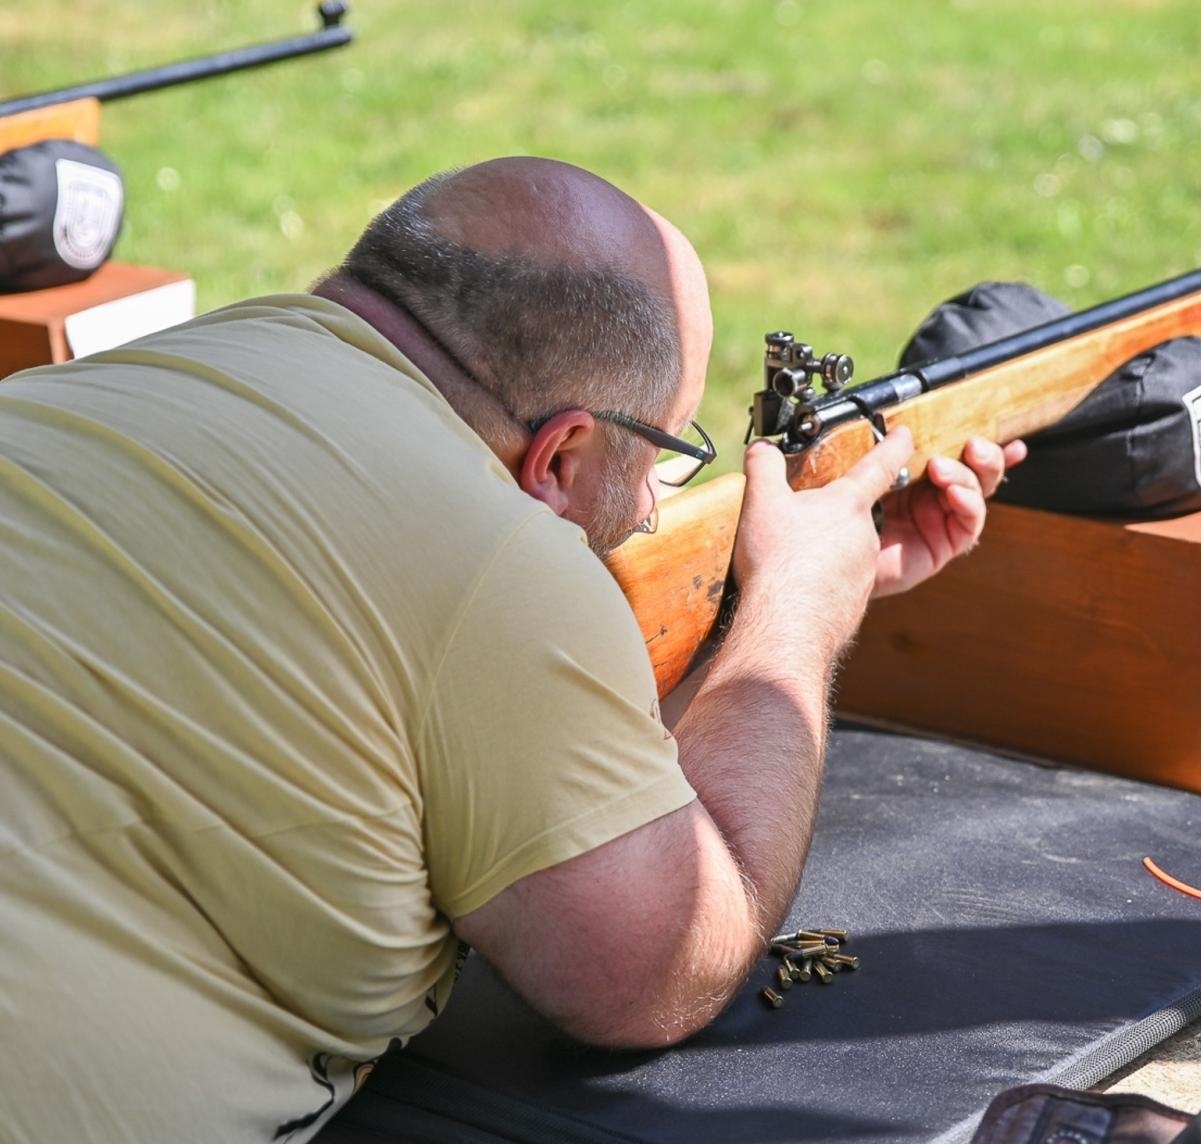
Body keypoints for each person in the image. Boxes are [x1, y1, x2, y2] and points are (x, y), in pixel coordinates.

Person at [0, 157, 1023, 1142]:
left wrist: (759, 609)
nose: (655, 505)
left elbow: (553, 774)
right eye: (665, 453)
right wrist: (800, 603)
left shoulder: (91, 389)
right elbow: (657, 968)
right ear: (561, 454)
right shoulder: (492, 553)